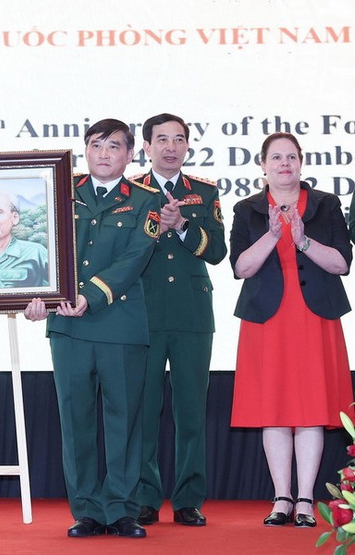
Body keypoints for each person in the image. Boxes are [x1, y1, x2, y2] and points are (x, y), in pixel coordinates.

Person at [25, 119, 160, 539]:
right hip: (68, 327)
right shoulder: (59, 192)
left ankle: (122, 509)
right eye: (96, 144)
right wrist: (35, 295)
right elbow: (40, 248)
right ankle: (86, 510)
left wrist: (91, 295)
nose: (104, 153)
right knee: (76, 421)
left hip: (119, 324)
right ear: (85, 150)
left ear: (130, 154)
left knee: (124, 421)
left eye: (114, 146)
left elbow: (135, 257)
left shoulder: (146, 200)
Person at [229, 132, 354, 528]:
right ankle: (281, 497)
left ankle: (304, 500)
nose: (284, 164)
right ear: (262, 165)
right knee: (275, 410)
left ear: (301, 162)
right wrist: (272, 235)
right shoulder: (247, 209)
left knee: (312, 410)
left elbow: (341, 263)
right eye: (276, 157)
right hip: (267, 320)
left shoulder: (325, 204)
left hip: (314, 317)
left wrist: (302, 240)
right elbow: (240, 268)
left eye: (291, 157)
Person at [130, 114, 227, 527]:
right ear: (146, 147)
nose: (171, 147)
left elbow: (217, 252)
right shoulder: (130, 190)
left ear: (188, 146)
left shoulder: (203, 191)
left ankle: (189, 499)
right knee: (143, 411)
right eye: (162, 139)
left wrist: (183, 225)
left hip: (191, 313)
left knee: (191, 411)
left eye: (179, 139)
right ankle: (145, 497)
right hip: (143, 313)